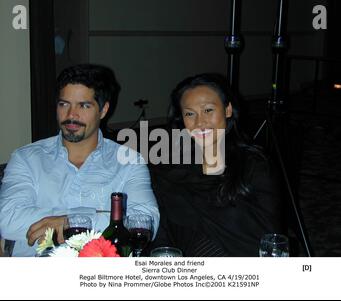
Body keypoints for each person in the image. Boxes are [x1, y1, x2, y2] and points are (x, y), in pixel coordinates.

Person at [0, 64, 159, 256]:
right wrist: (93, 220)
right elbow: (7, 221)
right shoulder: (26, 158)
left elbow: (145, 222)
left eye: (84, 105)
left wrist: (68, 222)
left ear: (103, 110)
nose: (71, 115)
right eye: (64, 104)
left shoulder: (129, 162)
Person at [149, 73, 284, 257]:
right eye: (190, 113)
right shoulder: (169, 168)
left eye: (208, 110)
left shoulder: (253, 165)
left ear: (227, 110)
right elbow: (161, 231)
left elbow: (268, 235)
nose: (200, 122)